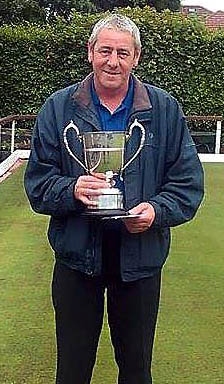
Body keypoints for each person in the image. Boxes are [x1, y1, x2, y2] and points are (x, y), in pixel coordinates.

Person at [24, 13, 204, 384]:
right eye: (105, 50)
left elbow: (187, 184)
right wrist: (71, 190)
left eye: (123, 52)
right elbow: (38, 183)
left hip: (139, 260)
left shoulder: (164, 109)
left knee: (137, 372)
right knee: (72, 372)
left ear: (136, 57)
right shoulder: (57, 108)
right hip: (76, 259)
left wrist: (155, 210)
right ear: (90, 52)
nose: (113, 61)